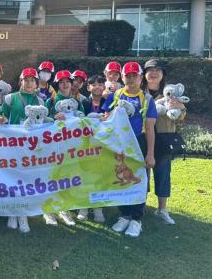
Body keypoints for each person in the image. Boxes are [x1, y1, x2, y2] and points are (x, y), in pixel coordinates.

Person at [102, 62, 157, 237]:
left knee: (139, 179)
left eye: (135, 75)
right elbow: (105, 118)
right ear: (123, 77)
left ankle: (136, 219)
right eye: (128, 75)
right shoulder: (115, 95)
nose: (131, 79)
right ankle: (124, 215)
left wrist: (150, 154)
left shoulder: (147, 99)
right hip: (119, 143)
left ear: (141, 78)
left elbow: (150, 129)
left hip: (139, 142)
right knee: (120, 177)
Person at [0, 67, 44, 233]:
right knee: (12, 178)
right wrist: (1, 120)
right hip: (13, 145)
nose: (29, 83)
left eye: (32, 80)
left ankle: (23, 214)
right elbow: (1, 116)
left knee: (28, 179)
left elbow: (44, 124)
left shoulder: (41, 101)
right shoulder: (10, 98)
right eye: (26, 80)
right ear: (21, 82)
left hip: (32, 147)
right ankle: (12, 212)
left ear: (36, 83)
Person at [143, 59, 183, 225]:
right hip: (142, 139)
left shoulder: (171, 92)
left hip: (164, 139)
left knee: (163, 175)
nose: (154, 73)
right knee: (142, 175)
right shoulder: (138, 91)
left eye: (158, 70)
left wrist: (179, 106)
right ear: (144, 74)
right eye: (150, 70)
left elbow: (181, 117)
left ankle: (162, 209)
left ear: (163, 74)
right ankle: (140, 206)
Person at [45, 70, 84, 227]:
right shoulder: (50, 102)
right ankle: (49, 211)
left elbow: (85, 122)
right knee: (52, 178)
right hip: (53, 147)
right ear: (57, 84)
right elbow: (41, 122)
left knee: (67, 178)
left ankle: (64, 209)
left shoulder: (78, 102)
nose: (65, 84)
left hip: (72, 146)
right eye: (61, 82)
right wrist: (53, 117)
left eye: (67, 81)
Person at [77, 74, 107, 223]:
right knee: (84, 177)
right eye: (94, 84)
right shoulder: (82, 103)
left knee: (100, 177)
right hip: (85, 146)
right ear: (88, 87)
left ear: (104, 86)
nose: (97, 87)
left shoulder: (109, 102)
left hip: (104, 146)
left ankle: (98, 209)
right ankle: (83, 207)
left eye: (100, 84)